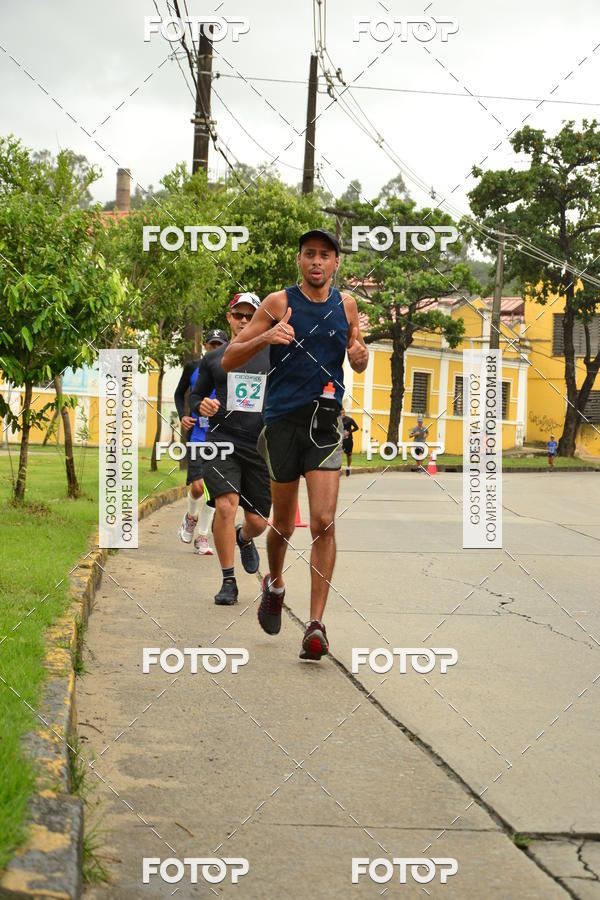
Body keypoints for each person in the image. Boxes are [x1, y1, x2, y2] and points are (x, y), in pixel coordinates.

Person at [222, 227, 369, 661]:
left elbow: (356, 353)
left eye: (325, 255)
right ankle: (275, 583)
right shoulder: (278, 303)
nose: (317, 262)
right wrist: (265, 337)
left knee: (323, 520)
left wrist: (361, 359)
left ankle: (316, 625)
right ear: (300, 260)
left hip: (325, 425)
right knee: (282, 525)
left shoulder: (347, 306)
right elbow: (232, 356)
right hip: (282, 423)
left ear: (336, 263)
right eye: (309, 254)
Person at [189, 294, 272, 606]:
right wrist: (203, 405)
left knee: (259, 522)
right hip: (221, 441)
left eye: (252, 316)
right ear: (229, 317)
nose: (245, 321)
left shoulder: (272, 354)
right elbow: (194, 397)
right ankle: (228, 581)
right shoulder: (214, 358)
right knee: (225, 505)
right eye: (239, 315)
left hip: (258, 445)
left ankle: (244, 537)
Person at [174, 329, 228, 555]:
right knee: (198, 486)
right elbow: (179, 394)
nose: (214, 349)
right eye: (211, 345)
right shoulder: (192, 367)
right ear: (205, 345)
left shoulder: (232, 367)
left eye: (219, 345)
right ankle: (190, 516)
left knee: (213, 491)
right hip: (197, 434)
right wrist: (182, 416)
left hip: (223, 436)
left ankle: (203, 537)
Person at [341, 409, 359, 476]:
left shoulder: (349, 419)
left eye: (344, 412)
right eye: (341, 413)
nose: (343, 414)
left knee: (349, 455)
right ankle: (338, 469)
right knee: (340, 453)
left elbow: (356, 427)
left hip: (348, 440)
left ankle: (348, 468)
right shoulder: (337, 420)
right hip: (341, 440)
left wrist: (349, 432)